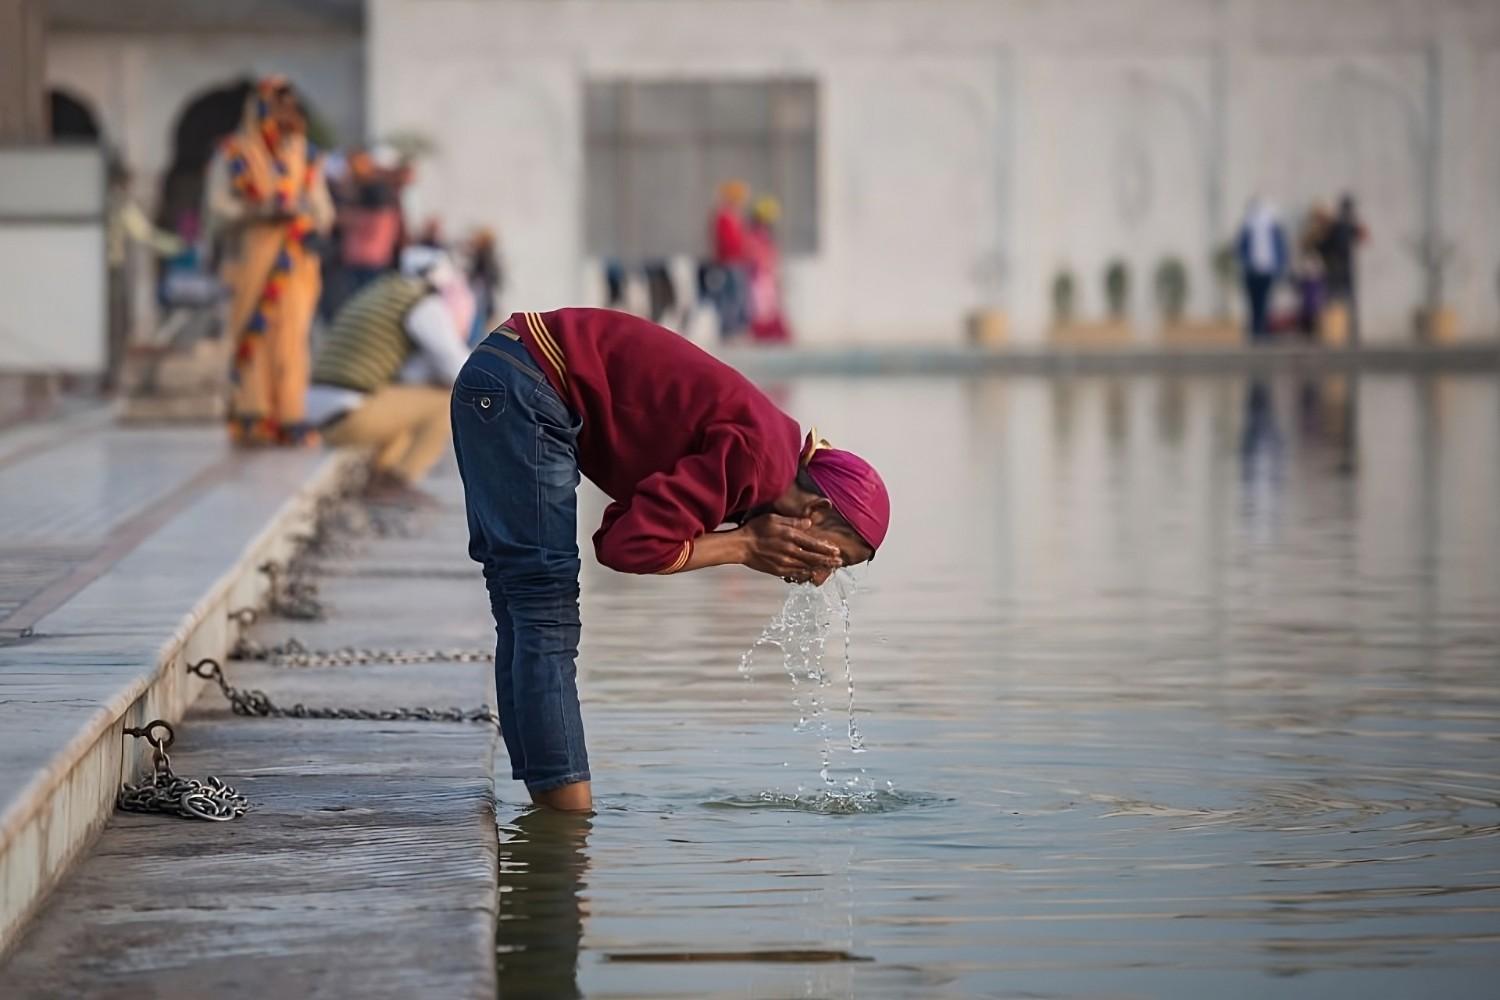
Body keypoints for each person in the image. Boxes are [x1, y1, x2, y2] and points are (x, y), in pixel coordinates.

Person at [452, 309, 891, 812]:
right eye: (831, 557)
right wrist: (743, 545)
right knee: (542, 611)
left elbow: (619, 533)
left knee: (523, 608)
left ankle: (549, 812)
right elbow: (627, 547)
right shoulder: (760, 460)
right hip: (527, 383)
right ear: (813, 511)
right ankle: (568, 825)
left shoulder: (761, 467)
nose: (818, 577)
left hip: (507, 375)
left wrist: (740, 538)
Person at [205, 76, 334, 445]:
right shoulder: (233, 153)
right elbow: (218, 206)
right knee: (252, 335)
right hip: (251, 259)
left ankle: (291, 415)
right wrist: (256, 211)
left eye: (289, 104)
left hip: (295, 261)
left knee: (292, 338)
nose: (285, 113)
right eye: (277, 105)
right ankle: (252, 414)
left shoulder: (306, 155)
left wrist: (303, 212)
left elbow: (323, 209)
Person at [306, 246, 470, 504]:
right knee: (449, 401)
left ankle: (381, 476)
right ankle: (399, 480)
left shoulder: (382, 291)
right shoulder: (420, 302)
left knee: (409, 403)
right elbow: (460, 368)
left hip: (321, 410)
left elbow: (406, 375)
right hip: (346, 415)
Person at [1235, 196, 1287, 343]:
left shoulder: (1272, 225)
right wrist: (1247, 263)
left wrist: (1280, 267)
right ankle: (1255, 332)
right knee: (1253, 302)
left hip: (1267, 270)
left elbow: (1280, 248)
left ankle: (1262, 332)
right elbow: (1240, 248)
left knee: (1264, 301)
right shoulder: (1247, 225)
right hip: (1251, 271)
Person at [1319, 193, 1368, 346]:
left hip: (1341, 267)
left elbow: (1363, 238)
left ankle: (1345, 331)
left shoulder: (1344, 225)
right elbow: (1326, 245)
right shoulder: (1339, 225)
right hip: (1338, 266)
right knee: (1337, 299)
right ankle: (1336, 332)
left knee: (1342, 299)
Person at [744, 195, 792, 343]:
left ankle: (770, 333)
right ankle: (761, 333)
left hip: (766, 273)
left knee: (769, 305)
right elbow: (753, 253)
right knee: (760, 305)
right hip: (758, 274)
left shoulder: (765, 234)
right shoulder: (755, 234)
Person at [709, 180, 751, 339]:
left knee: (738, 295)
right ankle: (729, 328)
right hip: (729, 262)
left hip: (737, 261)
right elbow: (727, 241)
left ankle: (736, 327)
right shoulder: (724, 216)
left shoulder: (734, 216)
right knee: (731, 296)